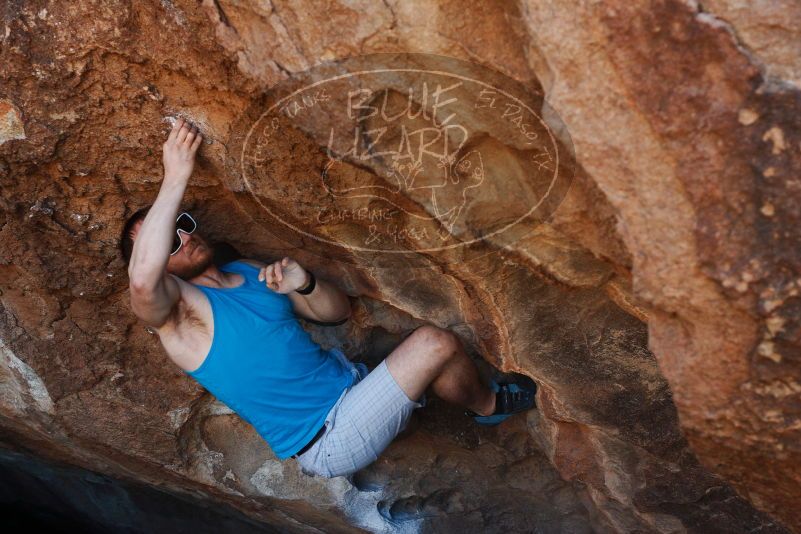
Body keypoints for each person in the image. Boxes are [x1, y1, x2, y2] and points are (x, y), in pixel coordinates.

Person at [121, 117, 538, 479]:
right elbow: (142, 281)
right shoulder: (176, 321)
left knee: (433, 356)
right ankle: (491, 405)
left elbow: (337, 314)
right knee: (434, 343)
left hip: (351, 386)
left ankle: (428, 405)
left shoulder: (246, 270)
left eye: (184, 225)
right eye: (167, 242)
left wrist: (305, 284)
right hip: (329, 438)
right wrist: (175, 176)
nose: (184, 237)